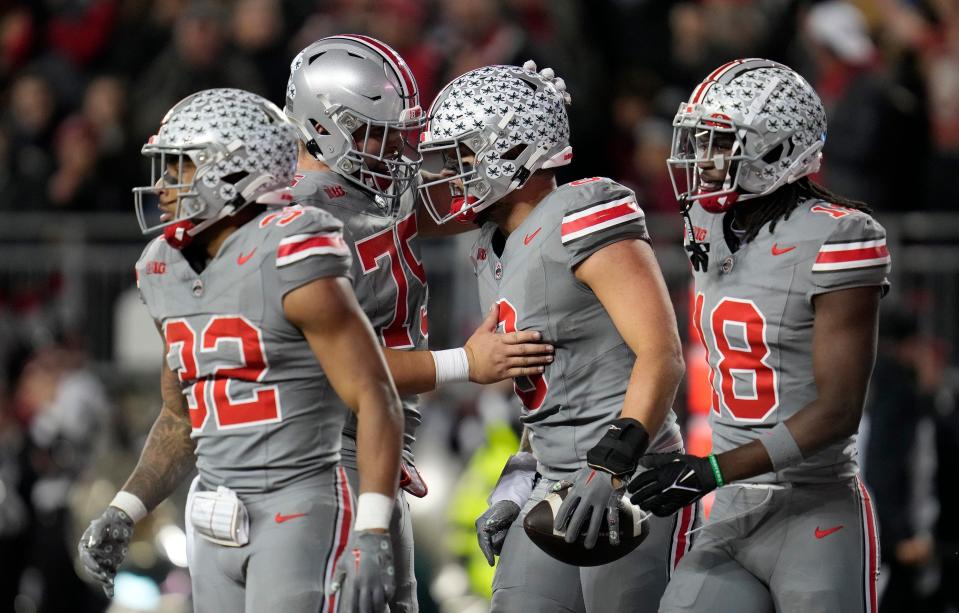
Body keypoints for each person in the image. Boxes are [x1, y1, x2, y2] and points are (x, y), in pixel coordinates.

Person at [76, 88, 403, 613]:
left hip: (295, 508)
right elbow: (181, 418)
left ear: (235, 170)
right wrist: (125, 507)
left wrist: (372, 528)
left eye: (178, 168)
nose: (161, 186)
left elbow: (374, 396)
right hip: (210, 514)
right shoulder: (163, 266)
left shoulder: (290, 250)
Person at [283, 35, 555, 612]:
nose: (395, 152)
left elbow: (473, 191)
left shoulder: (368, 185)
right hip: (326, 451)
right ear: (320, 125)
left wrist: (521, 119)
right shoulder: (295, 221)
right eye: (374, 133)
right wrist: (465, 363)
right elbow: (320, 369)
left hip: (374, 452)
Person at [418, 61, 694, 613]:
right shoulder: (486, 246)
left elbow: (661, 354)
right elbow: (553, 387)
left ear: (514, 150)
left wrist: (611, 466)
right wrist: (520, 476)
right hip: (555, 481)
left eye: (463, 156)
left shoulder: (581, 212)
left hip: (631, 481)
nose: (449, 173)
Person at [627, 58, 891, 613]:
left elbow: (839, 411)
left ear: (776, 148)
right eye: (701, 141)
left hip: (814, 508)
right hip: (729, 508)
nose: (703, 159)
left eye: (721, 143)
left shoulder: (839, 234)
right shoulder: (705, 221)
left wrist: (713, 469)